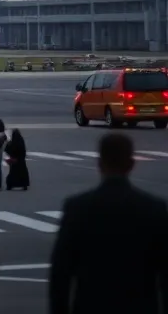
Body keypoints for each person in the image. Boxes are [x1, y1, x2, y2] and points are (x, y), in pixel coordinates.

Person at [49, 132, 168, 313]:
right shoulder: (154, 208)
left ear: (99, 164)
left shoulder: (77, 208)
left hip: (91, 306)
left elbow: (60, 273)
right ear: (131, 164)